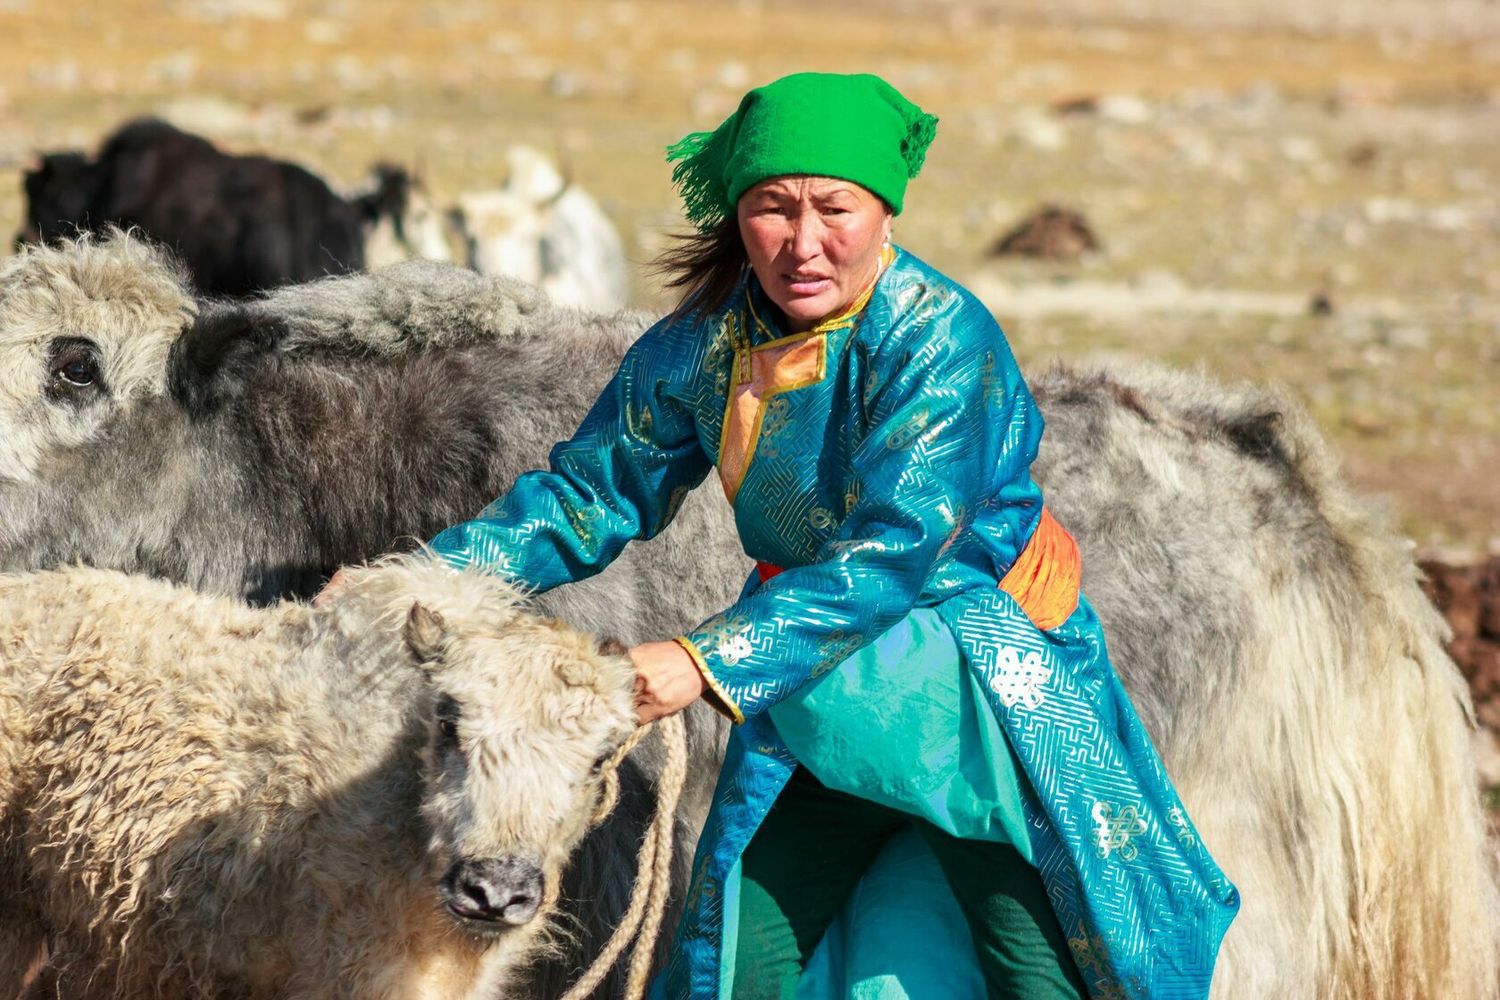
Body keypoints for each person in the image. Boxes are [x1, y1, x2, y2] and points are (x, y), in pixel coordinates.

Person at [425, 72, 1239, 999]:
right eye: (772, 209)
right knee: (739, 962)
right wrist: (427, 580)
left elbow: (891, 553)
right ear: (737, 216)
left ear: (886, 212)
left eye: (833, 210)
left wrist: (703, 661)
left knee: (1038, 968)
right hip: (826, 695)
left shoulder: (942, 340)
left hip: (975, 688)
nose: (802, 243)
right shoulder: (702, 345)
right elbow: (591, 490)